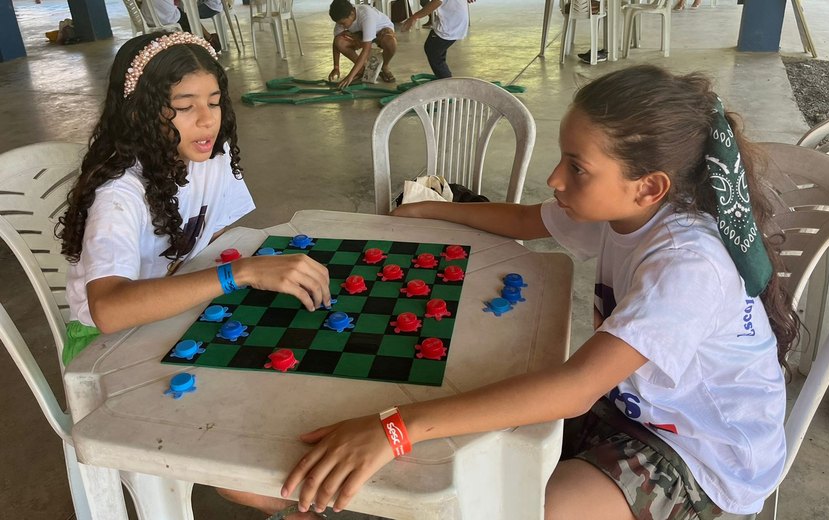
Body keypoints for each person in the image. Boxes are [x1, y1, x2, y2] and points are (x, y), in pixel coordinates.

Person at [274, 65, 800, 519]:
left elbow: (576, 388)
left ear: (649, 185)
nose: (554, 178)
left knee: (519, 508)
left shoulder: (688, 266)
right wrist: (430, 209)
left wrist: (394, 429)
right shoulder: (626, 211)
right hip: (630, 407)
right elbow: (528, 218)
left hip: (703, 454)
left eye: (577, 167)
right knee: (463, 451)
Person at [58, 30, 333, 520]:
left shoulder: (210, 152)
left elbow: (209, 239)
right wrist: (239, 274)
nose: (207, 119)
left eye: (214, 101)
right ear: (142, 112)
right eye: (184, 106)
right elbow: (109, 310)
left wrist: (235, 275)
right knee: (264, 477)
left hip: (171, 316)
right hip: (107, 347)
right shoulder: (119, 196)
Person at [328, 0, 398, 87]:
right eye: (339, 23)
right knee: (340, 41)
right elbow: (336, 43)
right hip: (362, 33)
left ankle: (385, 66)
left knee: (390, 42)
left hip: (381, 32)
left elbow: (366, 50)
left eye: (343, 23)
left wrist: (350, 76)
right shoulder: (342, 16)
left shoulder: (366, 15)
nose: (341, 26)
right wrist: (336, 67)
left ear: (352, 14)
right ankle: (361, 69)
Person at [402, 0, 475, 79]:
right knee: (437, 51)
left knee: (432, 50)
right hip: (454, 19)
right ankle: (444, 79)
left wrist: (414, 17)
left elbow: (437, 1)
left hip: (450, 23)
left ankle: (447, 82)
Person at [140, 0, 222, 51]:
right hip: (169, 19)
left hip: (146, 18)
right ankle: (206, 43)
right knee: (190, 18)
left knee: (185, 14)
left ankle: (208, 39)